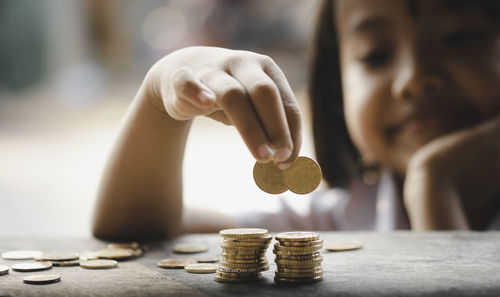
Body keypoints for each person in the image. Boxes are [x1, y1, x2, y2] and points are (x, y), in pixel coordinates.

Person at [92, 0, 500, 240]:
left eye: (461, 38)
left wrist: (436, 188)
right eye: (374, 54)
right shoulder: (336, 222)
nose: (413, 79)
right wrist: (159, 98)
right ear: (335, 91)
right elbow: (134, 230)